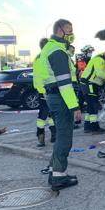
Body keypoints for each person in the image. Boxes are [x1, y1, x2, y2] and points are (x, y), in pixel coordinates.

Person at [40, 18, 81, 191]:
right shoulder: (57, 51)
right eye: (69, 30)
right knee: (64, 137)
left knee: (61, 135)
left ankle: (53, 168)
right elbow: (64, 84)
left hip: (53, 96)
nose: (71, 34)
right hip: (61, 97)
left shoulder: (50, 47)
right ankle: (58, 177)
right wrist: (75, 107)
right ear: (60, 31)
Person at [80, 48, 105, 134]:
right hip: (90, 84)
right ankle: (94, 127)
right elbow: (99, 73)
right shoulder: (99, 60)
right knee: (94, 106)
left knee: (90, 106)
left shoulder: (103, 61)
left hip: (88, 84)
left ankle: (87, 126)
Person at [33, 38, 56, 147]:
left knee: (43, 115)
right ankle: (53, 135)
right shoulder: (47, 56)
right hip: (47, 90)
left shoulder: (38, 57)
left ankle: (41, 137)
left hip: (40, 89)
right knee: (50, 114)